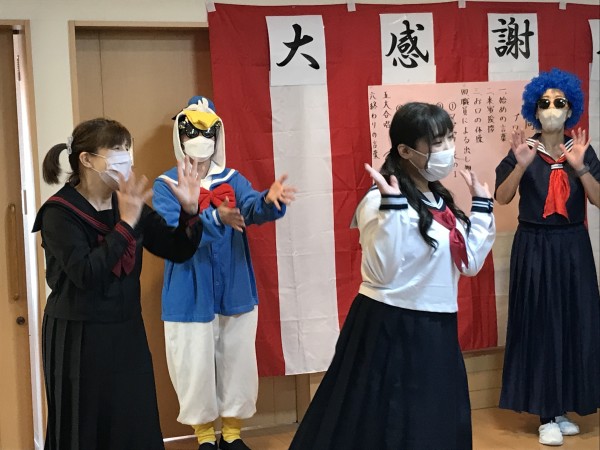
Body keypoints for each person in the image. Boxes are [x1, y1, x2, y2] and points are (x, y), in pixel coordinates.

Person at [288, 102, 496, 450]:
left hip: (437, 328)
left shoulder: (440, 200)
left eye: (450, 138)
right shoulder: (380, 200)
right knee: (385, 425)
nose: (448, 149)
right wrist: (393, 211)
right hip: (389, 326)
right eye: (437, 142)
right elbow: (383, 272)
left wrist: (482, 208)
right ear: (405, 150)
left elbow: (469, 264)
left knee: (434, 422)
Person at [34, 118, 204, 450]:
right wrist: (126, 223)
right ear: (86, 159)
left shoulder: (127, 201)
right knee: (84, 425)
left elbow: (177, 249)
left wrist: (189, 210)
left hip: (126, 331)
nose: (126, 157)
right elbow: (86, 274)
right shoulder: (59, 213)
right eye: (115, 149)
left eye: (127, 148)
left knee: (133, 421)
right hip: (78, 335)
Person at [152, 96, 296, 450]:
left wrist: (269, 201)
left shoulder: (233, 178)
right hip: (189, 290)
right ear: (179, 135)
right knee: (193, 364)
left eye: (207, 132)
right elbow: (173, 232)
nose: (200, 139)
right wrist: (215, 218)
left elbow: (251, 207)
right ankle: (204, 437)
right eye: (192, 131)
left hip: (234, 285)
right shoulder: (166, 184)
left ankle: (232, 434)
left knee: (237, 359)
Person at [496, 68, 600, 446]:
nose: (552, 108)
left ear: (570, 109)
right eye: (545, 103)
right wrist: (522, 164)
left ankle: (561, 407)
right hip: (535, 245)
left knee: (574, 321)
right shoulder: (524, 150)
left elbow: (597, 198)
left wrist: (581, 167)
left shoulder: (580, 150)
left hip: (573, 245)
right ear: (534, 110)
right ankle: (545, 414)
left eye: (559, 102)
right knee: (540, 324)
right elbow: (502, 197)